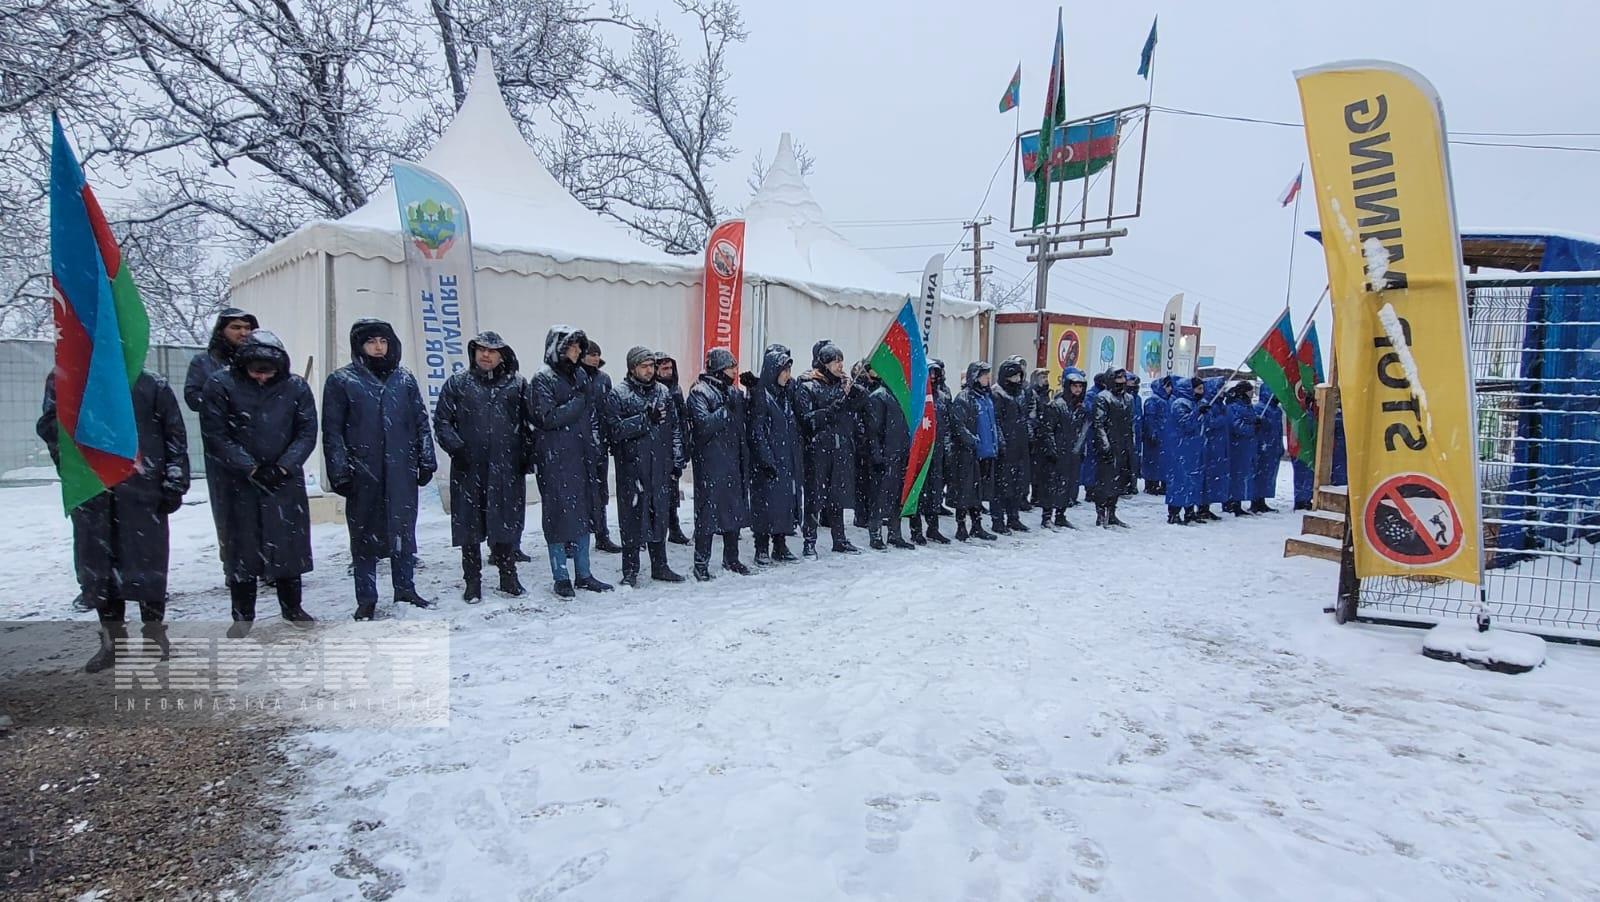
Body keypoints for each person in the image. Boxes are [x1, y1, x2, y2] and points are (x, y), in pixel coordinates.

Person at [39, 368, 189, 672]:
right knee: (99, 567)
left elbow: (174, 434)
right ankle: (113, 641)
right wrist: (72, 469)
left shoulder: (150, 383)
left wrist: (175, 479)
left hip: (143, 489)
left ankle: (154, 633)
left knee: (147, 562)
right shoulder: (69, 375)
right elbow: (52, 428)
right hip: (92, 491)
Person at [199, 331, 318, 632]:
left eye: (269, 372)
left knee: (288, 546)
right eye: (256, 372)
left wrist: (283, 467)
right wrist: (249, 467)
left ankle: (293, 608)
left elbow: (306, 432)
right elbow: (216, 435)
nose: (263, 377)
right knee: (242, 550)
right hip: (238, 483)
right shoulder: (220, 385)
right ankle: (242, 616)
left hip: (284, 481)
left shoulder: (296, 388)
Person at [323, 319, 438, 618]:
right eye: (371, 341)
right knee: (363, 535)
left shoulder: (404, 379)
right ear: (359, 346)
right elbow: (333, 432)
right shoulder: (342, 381)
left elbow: (420, 421)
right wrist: (340, 471)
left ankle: (405, 588)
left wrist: (426, 459)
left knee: (402, 531)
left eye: (383, 341)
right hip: (363, 471)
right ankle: (366, 597)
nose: (378, 347)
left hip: (401, 470)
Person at [433, 331, 531, 602]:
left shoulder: (517, 384)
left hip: (506, 467)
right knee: (469, 526)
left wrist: (526, 454)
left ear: (502, 355)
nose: (486, 355)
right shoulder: (458, 383)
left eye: (492, 350)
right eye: (481, 349)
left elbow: (528, 423)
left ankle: (508, 575)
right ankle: (472, 581)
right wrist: (457, 448)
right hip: (468, 467)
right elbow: (442, 420)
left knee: (505, 522)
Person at [526, 325, 614, 597]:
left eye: (578, 347)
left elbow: (592, 414)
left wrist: (594, 444)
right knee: (557, 517)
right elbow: (546, 417)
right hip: (555, 459)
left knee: (584, 514)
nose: (575, 352)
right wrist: (577, 402)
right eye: (570, 347)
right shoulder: (542, 379)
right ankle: (560, 576)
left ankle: (584, 573)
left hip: (583, 456)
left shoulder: (580, 375)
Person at [603, 347, 687, 587]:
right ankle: (630, 570)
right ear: (632, 368)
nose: (649, 371)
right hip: (632, 468)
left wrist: (676, 459)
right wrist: (643, 420)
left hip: (659, 466)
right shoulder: (619, 394)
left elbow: (674, 428)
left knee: (659, 516)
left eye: (651, 366)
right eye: (644, 366)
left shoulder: (663, 392)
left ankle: (660, 565)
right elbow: (614, 430)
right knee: (632, 519)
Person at [184, 306, 258, 561]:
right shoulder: (204, 363)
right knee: (229, 510)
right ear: (221, 331)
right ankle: (235, 564)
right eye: (236, 327)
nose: (243, 333)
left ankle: (268, 565)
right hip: (222, 447)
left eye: (247, 328)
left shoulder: (262, 359)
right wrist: (223, 403)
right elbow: (192, 397)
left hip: (259, 443)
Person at [794, 340, 867, 556]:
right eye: (836, 362)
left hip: (840, 448)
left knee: (837, 496)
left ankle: (839, 539)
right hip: (817, 449)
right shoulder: (808, 385)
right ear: (824, 364)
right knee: (815, 497)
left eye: (841, 361)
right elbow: (806, 420)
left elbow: (858, 405)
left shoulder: (843, 385)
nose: (840, 366)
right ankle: (809, 541)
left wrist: (853, 390)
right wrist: (829, 410)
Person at [688, 347, 752, 579]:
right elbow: (702, 426)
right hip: (710, 462)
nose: (734, 371)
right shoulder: (699, 392)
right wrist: (725, 411)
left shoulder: (733, 392)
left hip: (733, 459)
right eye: (730, 367)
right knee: (707, 513)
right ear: (718, 369)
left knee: (732, 511)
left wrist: (754, 391)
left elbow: (750, 416)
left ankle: (731, 558)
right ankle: (701, 563)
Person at [747, 344, 804, 565]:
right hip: (768, 462)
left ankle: (780, 544)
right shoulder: (761, 395)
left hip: (785, 458)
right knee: (765, 506)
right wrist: (766, 459)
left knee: (783, 504)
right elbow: (757, 431)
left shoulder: (785, 394)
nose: (788, 375)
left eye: (789, 371)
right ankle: (761, 547)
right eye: (784, 371)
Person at [864, 361, 915, 550]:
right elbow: (873, 431)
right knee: (880, 496)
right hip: (886, 455)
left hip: (901, 453)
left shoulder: (902, 396)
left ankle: (895, 533)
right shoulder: (879, 396)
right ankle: (875, 533)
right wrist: (877, 454)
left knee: (897, 496)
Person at [948, 361, 1002, 541]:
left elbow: (993, 423)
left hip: (985, 453)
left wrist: (996, 443)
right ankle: (961, 526)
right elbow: (958, 425)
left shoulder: (986, 397)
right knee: (964, 492)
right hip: (967, 454)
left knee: (978, 493)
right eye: (984, 375)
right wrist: (972, 441)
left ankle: (977, 525)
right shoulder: (964, 398)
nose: (988, 378)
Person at [580, 340, 623, 554]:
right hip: (579, 444)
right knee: (579, 493)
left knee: (600, 491)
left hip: (601, 443)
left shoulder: (603, 379)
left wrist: (610, 438)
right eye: (591, 354)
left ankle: (601, 534)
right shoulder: (575, 377)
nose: (595, 358)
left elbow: (608, 410)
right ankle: (575, 538)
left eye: (597, 354)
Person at [1037, 369, 1086, 530]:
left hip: (1071, 452)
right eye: (1075, 386)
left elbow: (1082, 431)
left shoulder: (1079, 407)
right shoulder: (1056, 405)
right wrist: (1052, 450)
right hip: (1057, 452)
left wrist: (1079, 449)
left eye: (1080, 386)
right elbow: (1047, 429)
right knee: (1052, 485)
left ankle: (1060, 515)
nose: (1077, 389)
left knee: (1067, 485)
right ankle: (1047, 516)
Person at [911, 360, 953, 544]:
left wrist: (947, 447)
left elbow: (948, 424)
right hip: (921, 452)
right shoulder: (915, 397)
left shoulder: (942, 397)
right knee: (919, 492)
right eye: (930, 373)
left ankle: (933, 528)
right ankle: (916, 530)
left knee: (935, 492)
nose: (933, 377)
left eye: (936, 373)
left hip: (938, 451)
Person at [653, 353, 693, 545]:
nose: (668, 372)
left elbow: (682, 420)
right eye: (664, 368)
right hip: (656, 447)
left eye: (670, 368)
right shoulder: (654, 391)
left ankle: (674, 527)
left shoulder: (676, 389)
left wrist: (684, 447)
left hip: (673, 447)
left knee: (672, 491)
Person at [1091, 368, 1135, 528]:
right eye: (1118, 377)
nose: (1121, 381)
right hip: (1109, 444)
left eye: (1123, 378)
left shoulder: (1128, 398)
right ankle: (1101, 514)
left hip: (1123, 444)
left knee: (1119, 480)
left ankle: (1112, 512)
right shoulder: (1103, 397)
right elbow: (1099, 424)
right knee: (1105, 480)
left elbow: (1130, 423)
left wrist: (1130, 445)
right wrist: (1105, 445)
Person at [993, 356, 1032, 534]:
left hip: (1020, 445)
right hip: (1005, 446)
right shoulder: (998, 394)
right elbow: (996, 421)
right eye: (1013, 376)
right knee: (1002, 485)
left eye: (1019, 376)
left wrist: (1028, 434)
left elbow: (1025, 416)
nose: (1017, 380)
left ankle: (1013, 517)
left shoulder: (1021, 393)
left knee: (1017, 484)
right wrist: (1001, 442)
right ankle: (998, 520)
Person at [1163, 377, 1207, 524]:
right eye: (1199, 389)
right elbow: (1186, 424)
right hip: (1180, 448)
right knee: (1179, 481)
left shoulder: (1195, 403)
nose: (1202, 392)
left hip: (1193, 447)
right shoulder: (1179, 404)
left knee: (1192, 480)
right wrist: (1197, 412)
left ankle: (1190, 511)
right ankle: (1174, 513)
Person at [1225, 382, 1261, 517]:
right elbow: (1236, 426)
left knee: (1242, 476)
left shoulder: (1247, 406)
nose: (1252, 394)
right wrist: (1252, 428)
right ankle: (1231, 503)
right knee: (1236, 475)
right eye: (1250, 391)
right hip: (1237, 447)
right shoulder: (1233, 407)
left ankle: (1237, 502)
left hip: (1246, 447)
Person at [1199, 376, 1229, 521]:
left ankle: (1206, 506)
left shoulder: (1219, 405)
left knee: (1213, 478)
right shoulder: (1207, 404)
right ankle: (1202, 507)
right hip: (1210, 446)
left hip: (1218, 446)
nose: (1223, 391)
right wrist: (1222, 419)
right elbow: (1208, 423)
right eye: (1220, 388)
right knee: (1207, 478)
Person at [1251, 392, 1285, 513]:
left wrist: (1280, 445)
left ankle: (1262, 499)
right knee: (1259, 474)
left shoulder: (1277, 411)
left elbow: (1279, 430)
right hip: (1263, 446)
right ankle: (1255, 501)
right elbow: (1257, 429)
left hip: (1273, 447)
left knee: (1268, 476)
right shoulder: (1259, 408)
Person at [1026, 368, 1052, 509]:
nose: (1045, 380)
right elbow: (1031, 416)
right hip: (1036, 436)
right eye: (1042, 377)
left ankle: (1038, 495)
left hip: (1043, 435)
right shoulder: (1032, 394)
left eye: (1046, 377)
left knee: (1041, 468)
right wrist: (1033, 434)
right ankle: (1032, 496)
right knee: (1033, 469)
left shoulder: (1045, 394)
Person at [1142, 375, 1171, 495]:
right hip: (1156, 437)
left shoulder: (1167, 400)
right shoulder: (1153, 401)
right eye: (1167, 386)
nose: (1170, 389)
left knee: (1160, 462)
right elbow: (1149, 418)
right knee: (1153, 461)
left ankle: (1158, 484)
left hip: (1164, 436)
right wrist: (1152, 433)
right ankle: (1151, 484)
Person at [1124, 373, 1143, 496]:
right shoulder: (1124, 396)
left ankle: (1133, 483)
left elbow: (1139, 415)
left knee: (1134, 459)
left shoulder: (1137, 398)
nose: (1133, 384)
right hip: (1126, 432)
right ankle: (1125, 484)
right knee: (1125, 459)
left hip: (1136, 432)